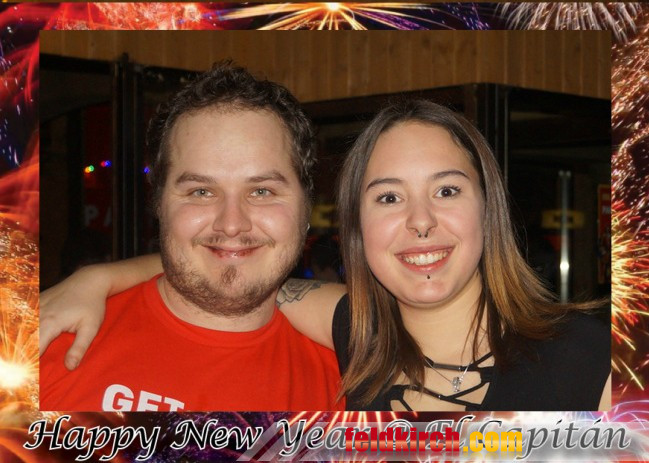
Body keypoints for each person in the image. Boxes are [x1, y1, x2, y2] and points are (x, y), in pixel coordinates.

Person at [41, 99, 610, 411]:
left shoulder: (597, 360)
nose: (420, 221)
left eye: (446, 190)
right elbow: (233, 269)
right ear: (357, 228)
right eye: (389, 197)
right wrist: (100, 278)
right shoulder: (353, 337)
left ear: (489, 209)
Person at [39, 62, 345, 412]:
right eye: (201, 191)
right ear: (158, 203)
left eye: (262, 191)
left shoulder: (358, 383)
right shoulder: (44, 345)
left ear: (307, 207)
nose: (232, 225)